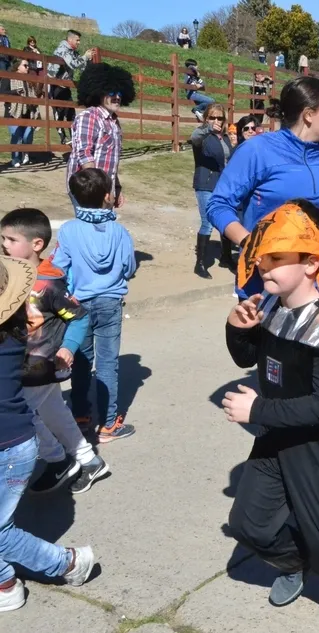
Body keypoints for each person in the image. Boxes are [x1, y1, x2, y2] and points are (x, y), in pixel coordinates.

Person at [223, 201, 319, 632]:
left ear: (311, 264)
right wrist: (238, 327)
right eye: (262, 258)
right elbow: (247, 358)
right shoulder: (272, 307)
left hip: (317, 447)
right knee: (247, 524)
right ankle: (295, 562)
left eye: (276, 258)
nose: (263, 266)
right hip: (275, 436)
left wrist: (257, 409)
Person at [208, 77, 319, 300]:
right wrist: (251, 243)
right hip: (265, 283)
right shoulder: (257, 150)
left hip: (317, 282)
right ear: (309, 114)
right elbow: (218, 205)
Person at [0, 255, 97, 613]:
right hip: (16, 444)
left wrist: (67, 347)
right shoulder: (14, 333)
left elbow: (77, 316)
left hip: (9, 449)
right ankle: (5, 584)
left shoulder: (9, 340)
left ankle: (67, 563)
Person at [0, 208, 109, 494]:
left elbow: (79, 317)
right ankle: (89, 460)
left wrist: (68, 348)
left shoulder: (47, 284)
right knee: (55, 413)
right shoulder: (10, 276)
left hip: (40, 365)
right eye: (2, 239)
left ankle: (56, 459)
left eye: (11, 240)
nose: (5, 245)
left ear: (37, 244)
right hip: (20, 364)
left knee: (23, 415)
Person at [51, 168, 137, 443]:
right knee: (108, 364)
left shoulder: (69, 230)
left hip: (78, 304)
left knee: (81, 361)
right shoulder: (119, 231)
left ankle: (81, 418)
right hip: (110, 301)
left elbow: (58, 267)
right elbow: (129, 267)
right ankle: (109, 424)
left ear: (75, 197)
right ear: (107, 196)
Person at [66, 62, 135, 210]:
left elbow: (111, 162)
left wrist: (116, 188)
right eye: (112, 92)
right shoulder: (89, 117)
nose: (117, 97)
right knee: (90, 226)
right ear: (99, 92)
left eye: (120, 93)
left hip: (104, 191)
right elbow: (84, 154)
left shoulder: (114, 122)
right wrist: (98, 190)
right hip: (86, 190)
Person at [190, 104, 234, 279]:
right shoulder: (202, 136)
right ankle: (200, 263)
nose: (216, 121)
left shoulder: (224, 137)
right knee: (207, 222)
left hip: (223, 185)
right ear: (206, 118)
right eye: (212, 117)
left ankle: (226, 257)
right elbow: (194, 137)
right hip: (206, 184)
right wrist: (208, 128)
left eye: (220, 118)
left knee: (226, 219)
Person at [47, 30, 94, 145]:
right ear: (70, 39)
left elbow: (81, 66)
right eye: (77, 40)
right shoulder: (63, 50)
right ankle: (63, 137)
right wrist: (85, 57)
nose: (79, 42)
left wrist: (89, 59)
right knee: (59, 113)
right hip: (55, 85)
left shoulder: (73, 52)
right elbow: (73, 64)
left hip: (65, 85)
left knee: (71, 112)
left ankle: (74, 137)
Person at [7, 58, 37, 168]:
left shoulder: (29, 80)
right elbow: (3, 92)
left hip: (28, 112)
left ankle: (25, 153)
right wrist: (15, 92)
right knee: (17, 136)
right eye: (25, 65)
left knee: (27, 136)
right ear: (17, 67)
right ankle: (15, 158)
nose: (28, 67)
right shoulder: (9, 78)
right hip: (14, 112)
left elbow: (34, 94)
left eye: (28, 65)